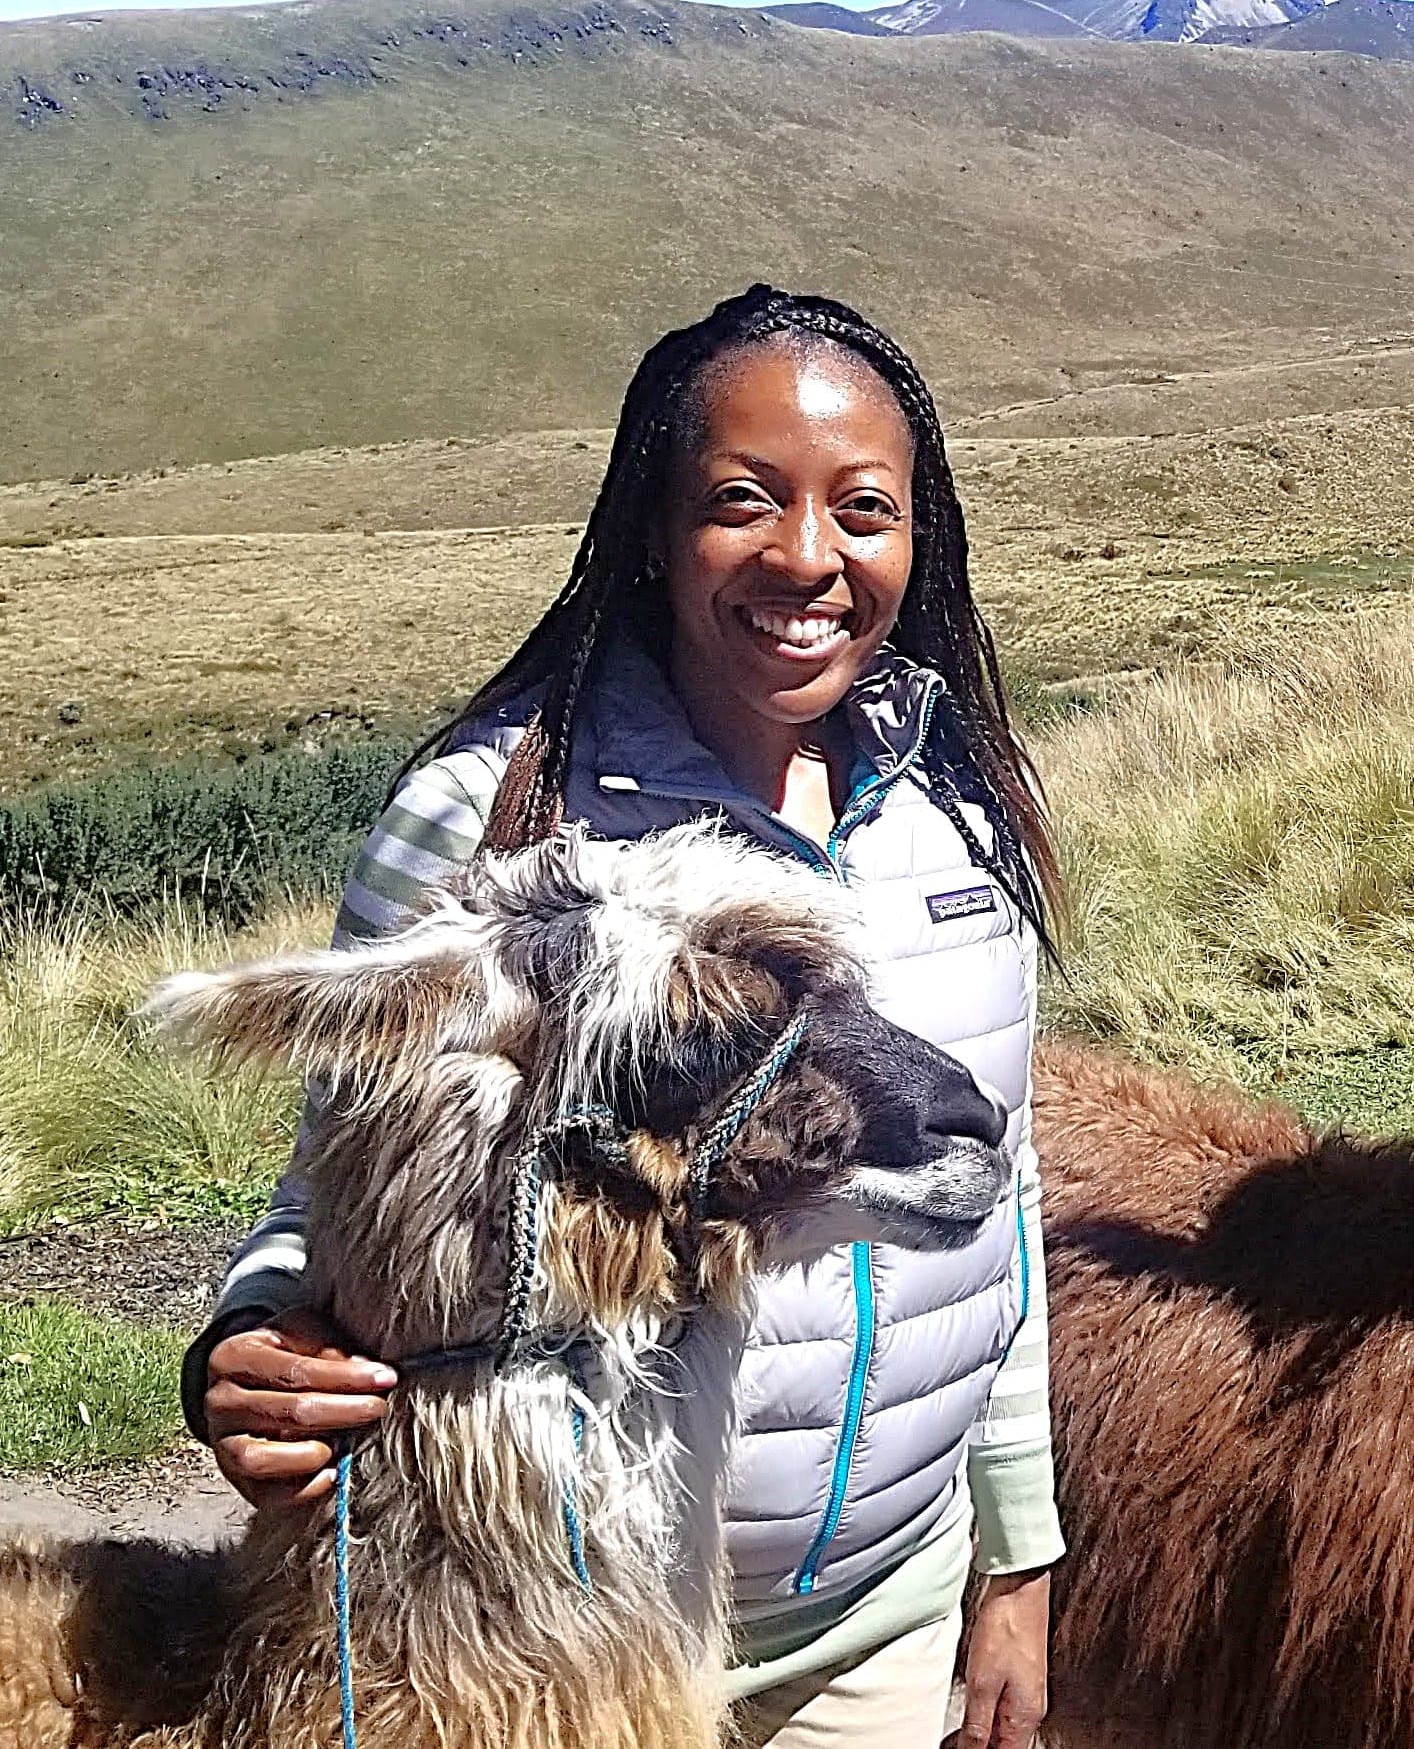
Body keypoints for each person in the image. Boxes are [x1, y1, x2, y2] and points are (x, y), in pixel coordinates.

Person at [179, 285, 1062, 1749]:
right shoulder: (491, 824)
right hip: (560, 1635)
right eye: (741, 502)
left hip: (882, 1621)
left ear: (919, 537)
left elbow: (1000, 1179)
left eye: (863, 511)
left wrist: (1013, 1545)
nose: (807, 558)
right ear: (653, 533)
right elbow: (344, 1176)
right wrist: (256, 1338)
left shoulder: (952, 818)